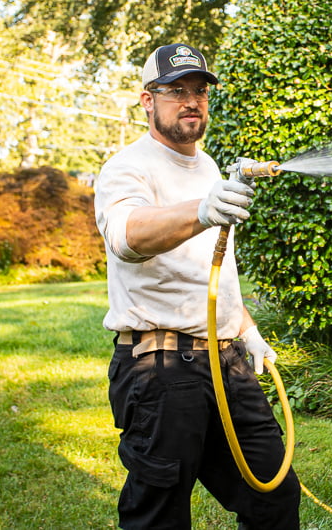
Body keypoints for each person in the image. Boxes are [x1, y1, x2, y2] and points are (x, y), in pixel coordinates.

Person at [94, 42, 301, 530]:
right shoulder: (127, 167)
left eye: (200, 91)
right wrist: (201, 211)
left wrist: (246, 329)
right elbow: (127, 237)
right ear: (148, 100)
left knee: (274, 496)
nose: (191, 100)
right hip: (160, 370)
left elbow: (211, 272)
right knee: (159, 515)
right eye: (176, 90)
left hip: (225, 362)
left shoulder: (208, 167)